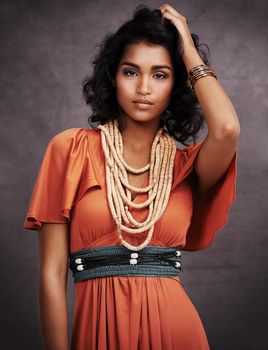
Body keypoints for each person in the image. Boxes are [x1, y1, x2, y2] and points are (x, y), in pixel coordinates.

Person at [23, 3, 240, 350]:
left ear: (176, 84)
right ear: (113, 77)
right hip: (97, 332)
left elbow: (227, 129)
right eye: (131, 71)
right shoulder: (69, 149)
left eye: (160, 74)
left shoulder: (185, 165)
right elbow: (51, 275)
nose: (143, 88)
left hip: (176, 331)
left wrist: (186, 48)